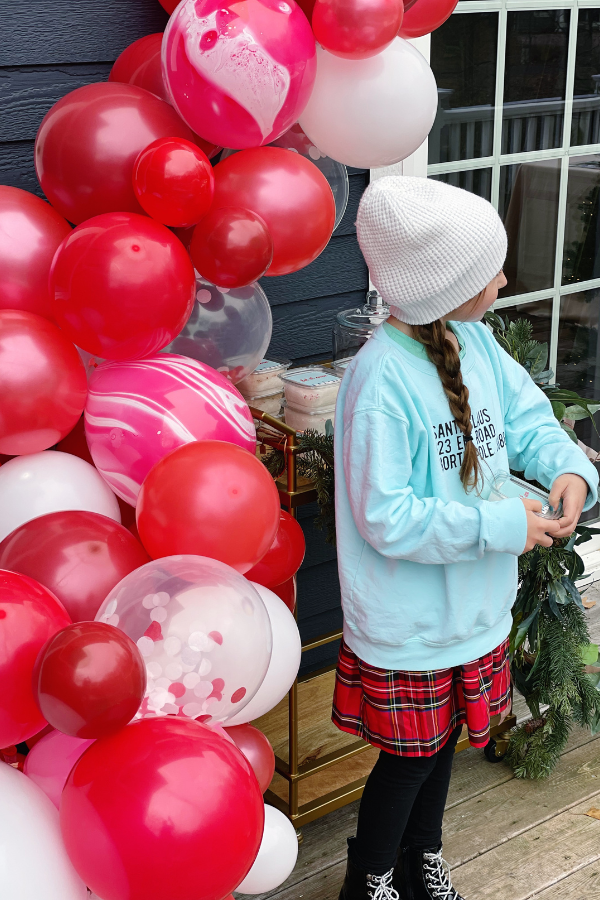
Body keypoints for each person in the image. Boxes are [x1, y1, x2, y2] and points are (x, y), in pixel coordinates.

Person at [333, 177, 599, 900]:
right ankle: (371, 876)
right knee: (409, 758)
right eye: (490, 271)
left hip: (473, 607)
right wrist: (504, 523)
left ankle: (423, 858)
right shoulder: (381, 381)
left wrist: (568, 468)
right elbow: (384, 516)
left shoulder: (472, 341)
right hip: (412, 618)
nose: (505, 280)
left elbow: (528, 418)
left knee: (445, 741)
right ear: (441, 287)